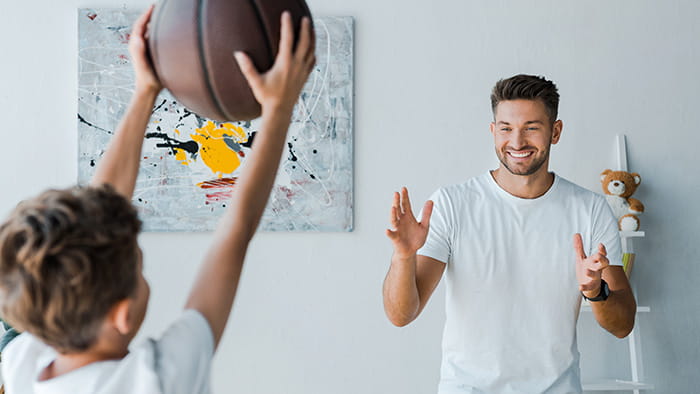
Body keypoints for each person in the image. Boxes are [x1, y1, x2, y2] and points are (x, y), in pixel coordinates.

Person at [0, 6, 315, 394]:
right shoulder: (157, 379)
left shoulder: (25, 367)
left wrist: (147, 89)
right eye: (138, 264)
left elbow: (231, 230)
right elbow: (235, 233)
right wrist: (280, 108)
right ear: (122, 313)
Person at [382, 74, 637, 394]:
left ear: (555, 132)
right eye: (506, 128)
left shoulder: (590, 209)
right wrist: (403, 256)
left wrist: (595, 290)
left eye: (531, 127)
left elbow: (623, 324)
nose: (517, 142)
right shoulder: (451, 204)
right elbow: (401, 314)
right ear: (493, 131)